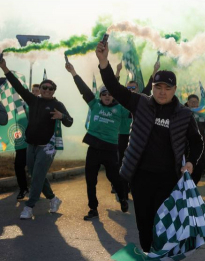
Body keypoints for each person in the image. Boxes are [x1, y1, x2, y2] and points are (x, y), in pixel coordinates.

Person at [96, 41, 203, 252]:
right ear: (152, 87)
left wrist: (190, 162)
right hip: (140, 176)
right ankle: (147, 253)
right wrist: (103, 62)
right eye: (158, 87)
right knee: (143, 222)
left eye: (167, 88)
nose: (162, 92)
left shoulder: (184, 114)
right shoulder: (140, 103)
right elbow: (115, 88)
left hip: (168, 179)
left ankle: (159, 253)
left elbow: (197, 142)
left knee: (162, 221)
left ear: (174, 90)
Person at [1, 59, 73, 220]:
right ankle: (53, 199)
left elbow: (70, 121)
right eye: (44, 88)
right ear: (39, 89)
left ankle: (29, 207)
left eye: (51, 88)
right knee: (36, 175)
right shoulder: (33, 100)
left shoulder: (57, 104)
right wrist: (5, 67)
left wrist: (62, 117)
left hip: (47, 147)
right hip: (30, 145)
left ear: (54, 91)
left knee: (37, 176)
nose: (47, 90)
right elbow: (17, 85)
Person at [65, 62, 129, 220]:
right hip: (93, 149)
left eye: (110, 94)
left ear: (113, 95)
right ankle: (93, 208)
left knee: (114, 178)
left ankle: (122, 197)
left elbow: (115, 86)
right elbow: (83, 89)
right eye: (104, 94)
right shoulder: (94, 104)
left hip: (110, 150)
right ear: (100, 96)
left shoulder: (121, 109)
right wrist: (73, 71)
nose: (107, 96)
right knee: (90, 180)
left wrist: (118, 74)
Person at [114, 61, 155, 198]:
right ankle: (122, 189)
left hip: (138, 137)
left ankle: (135, 186)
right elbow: (113, 87)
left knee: (138, 162)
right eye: (129, 87)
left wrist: (155, 69)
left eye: (134, 87)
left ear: (138, 89)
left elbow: (150, 86)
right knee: (121, 162)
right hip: (123, 136)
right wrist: (118, 71)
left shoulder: (141, 100)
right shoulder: (121, 100)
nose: (131, 89)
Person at [186, 94, 205, 184]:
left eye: (196, 102)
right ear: (188, 103)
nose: (194, 104)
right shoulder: (183, 113)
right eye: (192, 102)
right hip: (186, 146)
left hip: (200, 144)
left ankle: (193, 187)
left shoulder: (202, 114)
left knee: (198, 169)